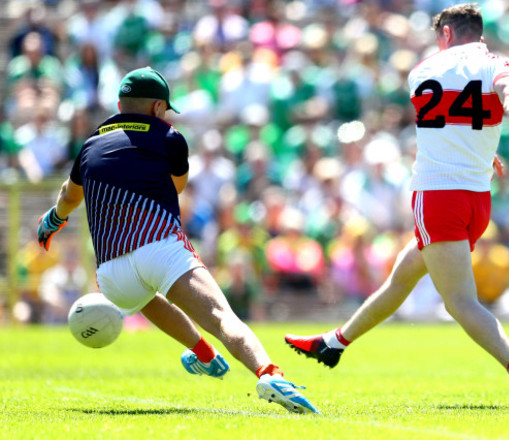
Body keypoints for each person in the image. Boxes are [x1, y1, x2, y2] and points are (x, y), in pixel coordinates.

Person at [285, 4, 509, 408]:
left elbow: (447, 125)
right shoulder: (496, 62)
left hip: (437, 196)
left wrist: (504, 137)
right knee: (403, 275)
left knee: (460, 302)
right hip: (477, 200)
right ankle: (334, 342)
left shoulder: (421, 71)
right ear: (478, 33)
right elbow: (505, 97)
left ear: (446, 33)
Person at [37, 67, 319, 415]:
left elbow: (68, 195)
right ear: (158, 107)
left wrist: (54, 220)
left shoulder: (90, 144)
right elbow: (177, 187)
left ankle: (203, 354)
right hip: (160, 247)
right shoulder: (170, 137)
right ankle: (269, 374)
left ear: (119, 104)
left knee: (144, 295)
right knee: (220, 315)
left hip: (111, 274)